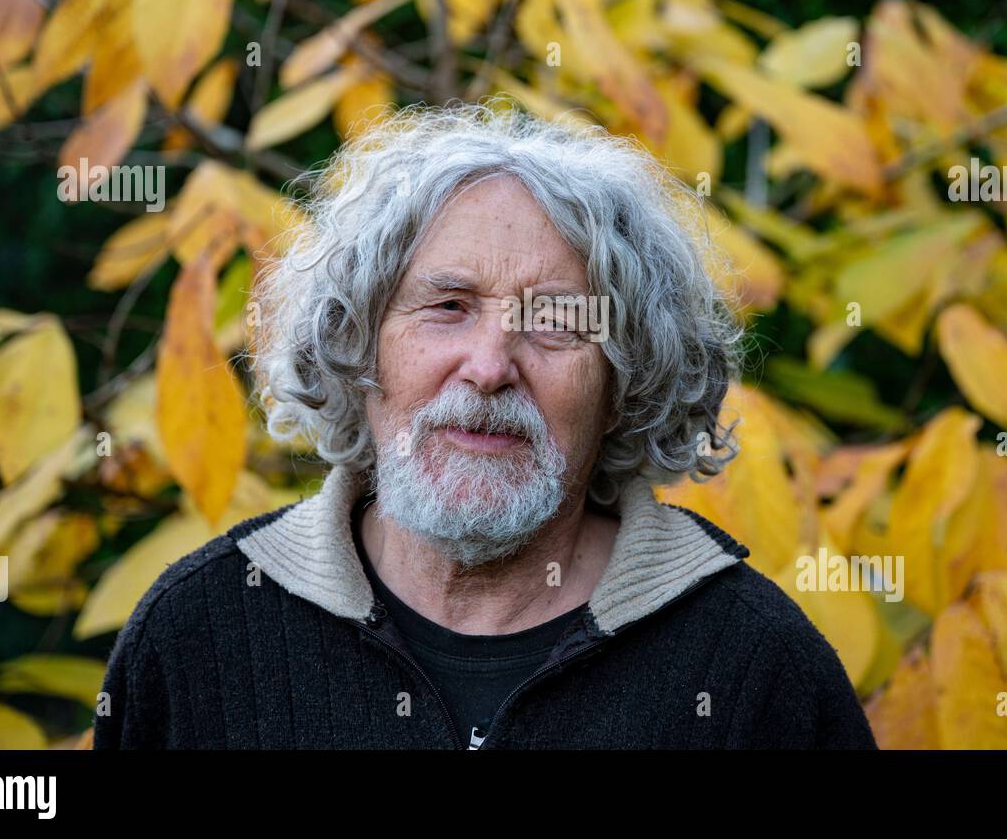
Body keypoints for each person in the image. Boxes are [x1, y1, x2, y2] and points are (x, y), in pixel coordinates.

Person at [93, 102, 877, 749]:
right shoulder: (202, 632)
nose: (490, 365)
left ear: (625, 381)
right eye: (447, 307)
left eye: (556, 322)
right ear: (357, 343)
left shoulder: (757, 664)